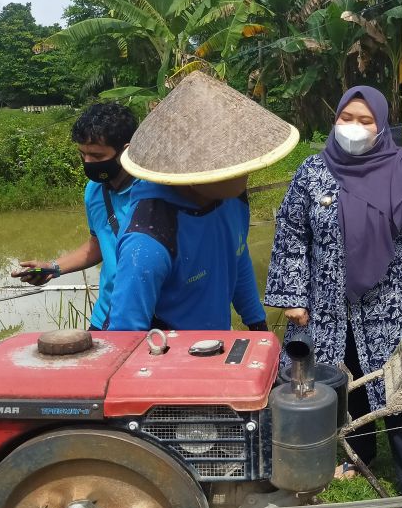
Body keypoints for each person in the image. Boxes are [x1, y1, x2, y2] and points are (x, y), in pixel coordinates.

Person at [265, 86, 402, 496]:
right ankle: (358, 453)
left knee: (401, 388)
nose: (354, 128)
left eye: (365, 120)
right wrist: (293, 297)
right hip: (328, 306)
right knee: (343, 381)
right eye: (346, 118)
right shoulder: (312, 172)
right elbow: (292, 236)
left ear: (382, 124)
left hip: (393, 308)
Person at [106, 71, 297, 331]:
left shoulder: (232, 198)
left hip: (214, 343)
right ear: (193, 172)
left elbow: (237, 255)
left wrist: (257, 325)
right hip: (167, 359)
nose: (245, 168)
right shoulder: (148, 241)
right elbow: (126, 335)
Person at [13, 102, 137, 330]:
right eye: (83, 154)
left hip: (144, 315)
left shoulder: (152, 190)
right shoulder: (94, 190)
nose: (87, 163)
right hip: (106, 317)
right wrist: (53, 267)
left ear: (126, 150)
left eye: (97, 156)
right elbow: (98, 243)